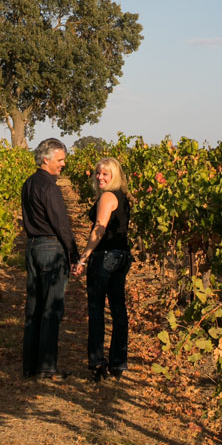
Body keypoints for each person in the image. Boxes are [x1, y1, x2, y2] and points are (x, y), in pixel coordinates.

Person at [21, 137, 79, 379]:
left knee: (34, 307)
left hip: (32, 247)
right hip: (50, 249)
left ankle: (29, 365)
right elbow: (60, 223)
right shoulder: (50, 187)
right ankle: (46, 366)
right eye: (60, 160)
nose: (63, 164)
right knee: (51, 308)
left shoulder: (28, 183)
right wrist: (73, 253)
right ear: (46, 160)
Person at [72, 157, 131, 382]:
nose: (100, 177)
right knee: (118, 309)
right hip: (122, 256)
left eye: (105, 174)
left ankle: (97, 362)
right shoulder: (123, 198)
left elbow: (99, 229)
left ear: (115, 175)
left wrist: (84, 257)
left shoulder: (107, 197)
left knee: (96, 310)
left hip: (105, 257)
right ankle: (118, 362)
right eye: (98, 173)